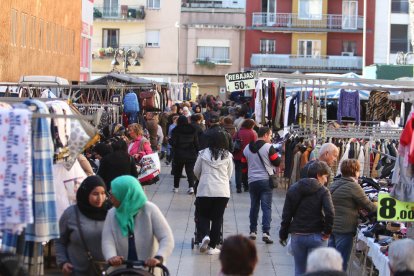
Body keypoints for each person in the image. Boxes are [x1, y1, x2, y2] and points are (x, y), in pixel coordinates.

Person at [102, 176, 174, 271]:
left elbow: (166, 238)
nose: (110, 198)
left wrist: (159, 257)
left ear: (125, 195)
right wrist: (111, 257)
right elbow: (107, 240)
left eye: (113, 194)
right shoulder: (112, 213)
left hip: (148, 269)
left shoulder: (150, 210)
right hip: (121, 270)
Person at [279, 160, 335, 276]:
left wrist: (283, 234)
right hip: (317, 235)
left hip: (298, 235)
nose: (326, 180)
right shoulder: (323, 191)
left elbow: (286, 215)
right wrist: (327, 232)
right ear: (318, 175)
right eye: (325, 177)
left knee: (299, 270)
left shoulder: (294, 188)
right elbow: (330, 213)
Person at [328, 159, 377, 272]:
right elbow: (368, 205)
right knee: (341, 263)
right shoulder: (353, 186)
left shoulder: (335, 183)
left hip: (332, 226)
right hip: (345, 228)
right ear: (355, 171)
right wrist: (385, 212)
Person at [55, 176, 109, 275]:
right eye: (95, 194)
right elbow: (60, 241)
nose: (100, 198)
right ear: (86, 194)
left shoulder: (110, 213)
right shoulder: (71, 214)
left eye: (103, 193)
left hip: (107, 271)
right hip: (77, 271)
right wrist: (63, 262)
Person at [194, 132, 233, 255]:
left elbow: (196, 170)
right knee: (217, 218)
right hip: (222, 190)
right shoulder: (228, 156)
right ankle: (212, 247)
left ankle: (205, 235)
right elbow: (229, 174)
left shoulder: (203, 154)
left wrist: (203, 178)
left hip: (205, 188)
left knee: (203, 215)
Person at [242, 127, 281, 244]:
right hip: (265, 181)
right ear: (265, 135)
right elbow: (277, 162)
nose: (270, 138)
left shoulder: (247, 148)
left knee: (254, 206)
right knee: (266, 207)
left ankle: (253, 231)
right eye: (270, 135)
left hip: (252, 181)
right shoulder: (269, 148)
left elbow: (243, 166)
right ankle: (266, 232)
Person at [170, 115, 199, 194]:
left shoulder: (175, 130)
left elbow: (174, 143)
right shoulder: (193, 129)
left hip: (179, 154)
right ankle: (191, 187)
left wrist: (169, 140)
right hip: (191, 153)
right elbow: (196, 142)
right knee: (190, 171)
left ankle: (176, 187)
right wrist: (198, 151)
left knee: (178, 171)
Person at [233, 119, 257, 193]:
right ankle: (246, 186)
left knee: (238, 171)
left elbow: (233, 141)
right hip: (248, 155)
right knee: (246, 171)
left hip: (237, 155)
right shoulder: (252, 133)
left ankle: (238, 187)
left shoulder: (238, 132)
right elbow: (254, 145)